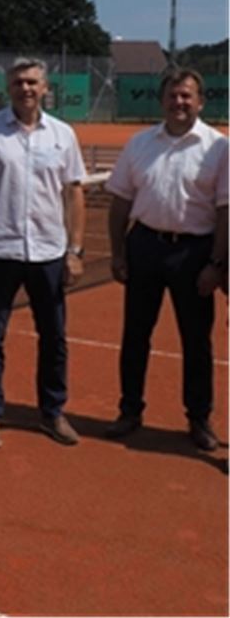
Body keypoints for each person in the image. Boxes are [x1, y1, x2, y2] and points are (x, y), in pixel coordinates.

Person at [0, 56, 86, 449]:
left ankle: (52, 413)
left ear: (45, 88)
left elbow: (74, 193)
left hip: (49, 253)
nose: (26, 88)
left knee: (54, 337)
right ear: (8, 88)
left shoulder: (63, 135)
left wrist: (74, 249)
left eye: (33, 82)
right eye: (18, 82)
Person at [104, 67, 228, 450]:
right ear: (162, 100)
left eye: (187, 96)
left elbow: (226, 211)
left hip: (194, 253)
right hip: (145, 247)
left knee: (196, 341)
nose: (179, 102)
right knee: (136, 335)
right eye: (173, 95)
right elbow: (120, 201)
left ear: (201, 101)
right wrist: (118, 252)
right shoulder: (139, 144)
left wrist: (217, 264)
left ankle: (198, 418)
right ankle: (130, 411)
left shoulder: (219, 147)